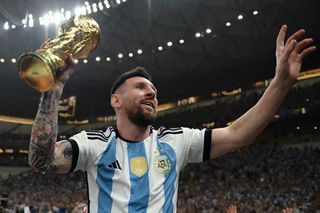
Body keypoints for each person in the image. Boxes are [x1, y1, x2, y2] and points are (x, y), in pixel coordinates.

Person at [28, 25, 316, 213]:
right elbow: (40, 160)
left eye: (153, 90)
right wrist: (53, 89)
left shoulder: (175, 140)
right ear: (115, 100)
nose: (151, 93)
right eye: (141, 87)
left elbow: (239, 134)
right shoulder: (94, 143)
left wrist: (280, 83)